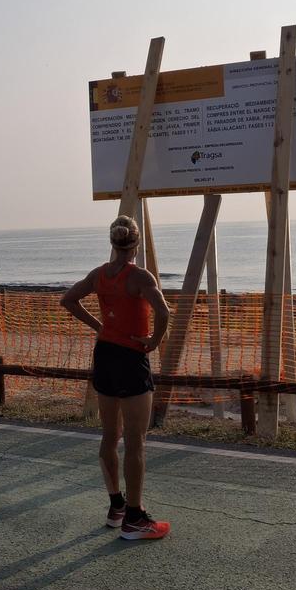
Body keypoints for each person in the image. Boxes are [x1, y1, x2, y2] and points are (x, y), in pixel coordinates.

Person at [61, 215, 171, 540]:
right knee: (135, 441)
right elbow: (163, 312)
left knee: (110, 436)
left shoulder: (99, 275)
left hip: (105, 356)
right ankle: (135, 519)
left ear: (112, 242)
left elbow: (67, 299)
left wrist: (99, 326)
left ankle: (116, 506)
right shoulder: (140, 276)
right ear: (136, 244)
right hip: (131, 359)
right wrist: (153, 341)